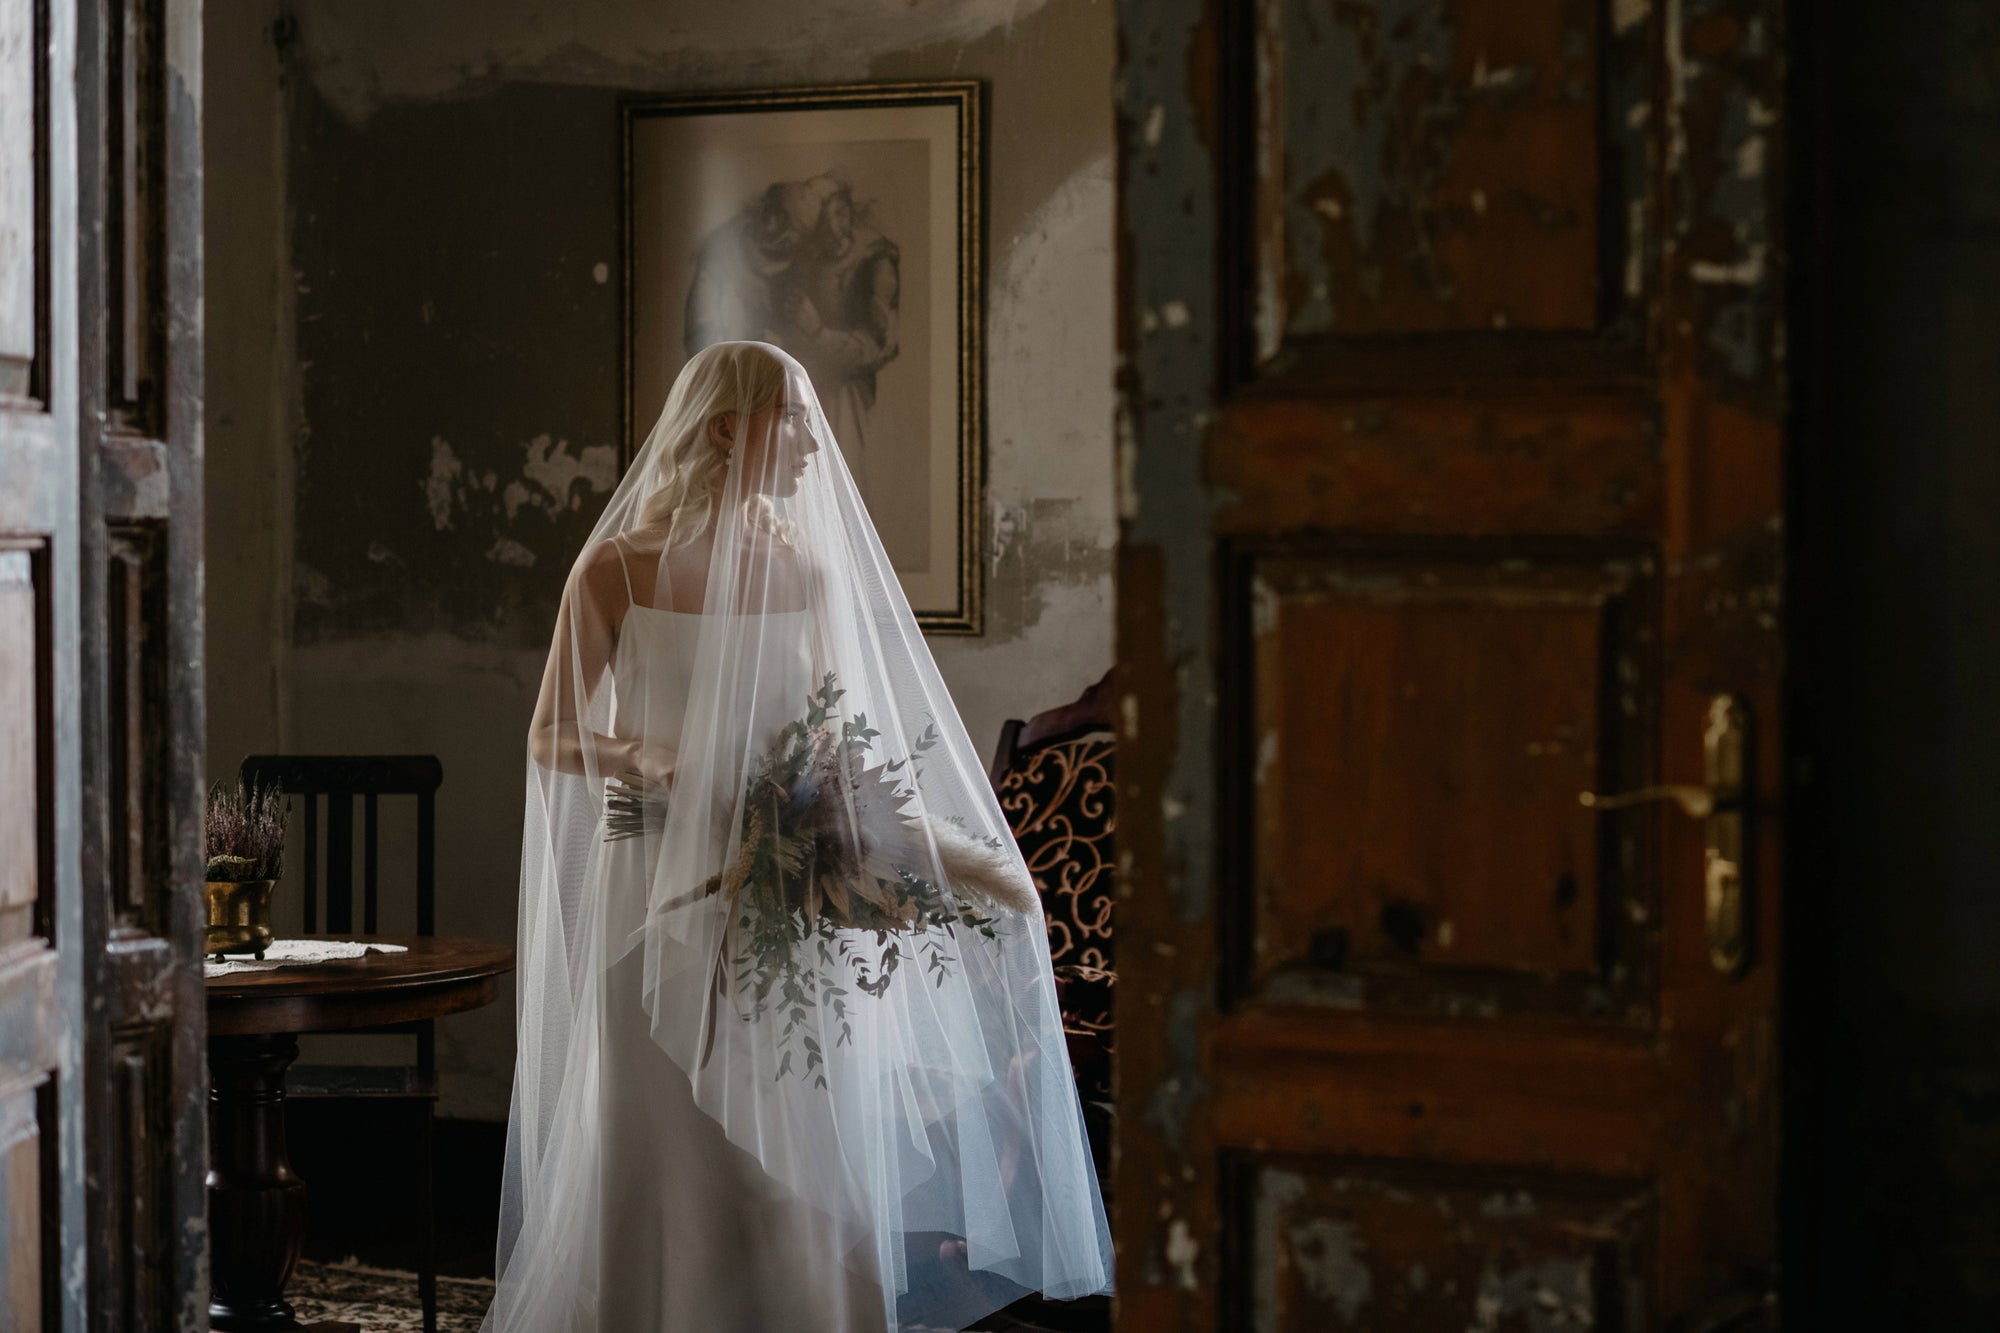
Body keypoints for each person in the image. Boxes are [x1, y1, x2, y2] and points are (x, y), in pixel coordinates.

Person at [487, 342, 1111, 1333]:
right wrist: (652, 763)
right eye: (797, 421)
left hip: (778, 890)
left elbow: (827, 745)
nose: (817, 445)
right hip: (651, 893)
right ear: (729, 427)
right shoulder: (615, 569)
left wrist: (902, 854)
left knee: (790, 1152)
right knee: (664, 1140)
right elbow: (552, 734)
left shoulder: (808, 574)